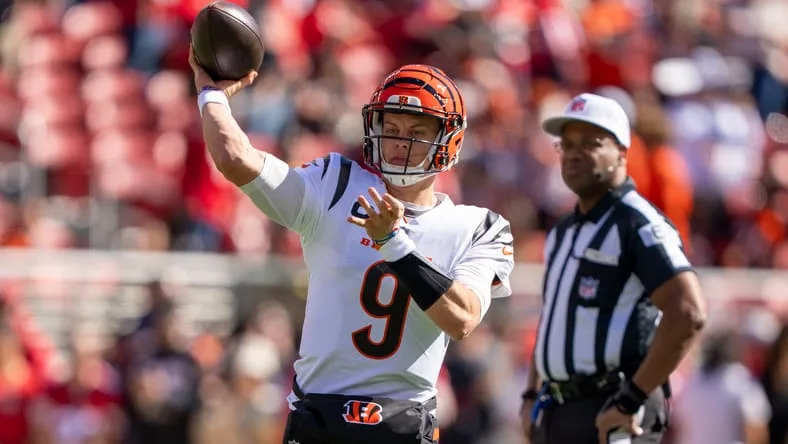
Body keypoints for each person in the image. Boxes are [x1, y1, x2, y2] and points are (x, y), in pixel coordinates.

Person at [188, 48, 514, 444]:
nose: (399, 143)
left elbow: (462, 319)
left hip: (403, 422)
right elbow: (236, 159)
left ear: (450, 139)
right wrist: (211, 94)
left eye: (416, 133)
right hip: (318, 418)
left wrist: (394, 245)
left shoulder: (477, 226)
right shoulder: (336, 183)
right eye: (391, 127)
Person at [519, 93, 706, 444]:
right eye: (567, 144)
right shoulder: (563, 230)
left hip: (614, 408)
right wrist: (530, 394)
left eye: (591, 142)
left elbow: (689, 311)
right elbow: (553, 318)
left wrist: (631, 398)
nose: (574, 153)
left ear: (622, 151)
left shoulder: (638, 223)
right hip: (559, 409)